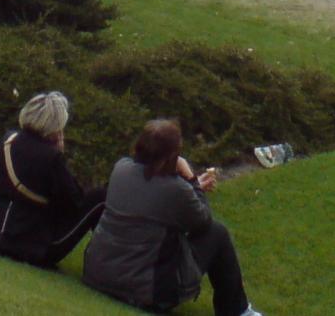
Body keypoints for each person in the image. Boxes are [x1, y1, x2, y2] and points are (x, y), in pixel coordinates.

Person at [82, 119, 261, 316]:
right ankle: (237, 310)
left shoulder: (120, 169)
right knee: (217, 233)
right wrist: (191, 180)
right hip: (145, 290)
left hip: (98, 273)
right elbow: (202, 222)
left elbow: (149, 198)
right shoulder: (177, 189)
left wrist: (191, 188)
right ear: (172, 156)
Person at [0, 90, 106, 267]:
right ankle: (104, 265)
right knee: (100, 197)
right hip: (29, 246)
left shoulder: (7, 141)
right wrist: (59, 153)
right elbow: (74, 202)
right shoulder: (50, 157)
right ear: (55, 127)